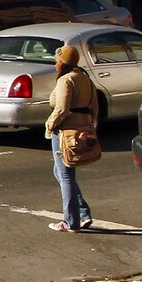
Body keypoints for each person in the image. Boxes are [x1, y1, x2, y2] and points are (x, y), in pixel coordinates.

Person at [45, 42, 97, 231]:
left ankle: (70, 221)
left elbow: (62, 108)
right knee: (60, 172)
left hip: (66, 132)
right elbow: (94, 106)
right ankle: (82, 213)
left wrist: (50, 125)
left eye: (57, 61)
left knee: (65, 175)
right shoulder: (85, 78)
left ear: (63, 63)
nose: (55, 64)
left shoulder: (66, 80)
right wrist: (90, 124)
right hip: (82, 128)